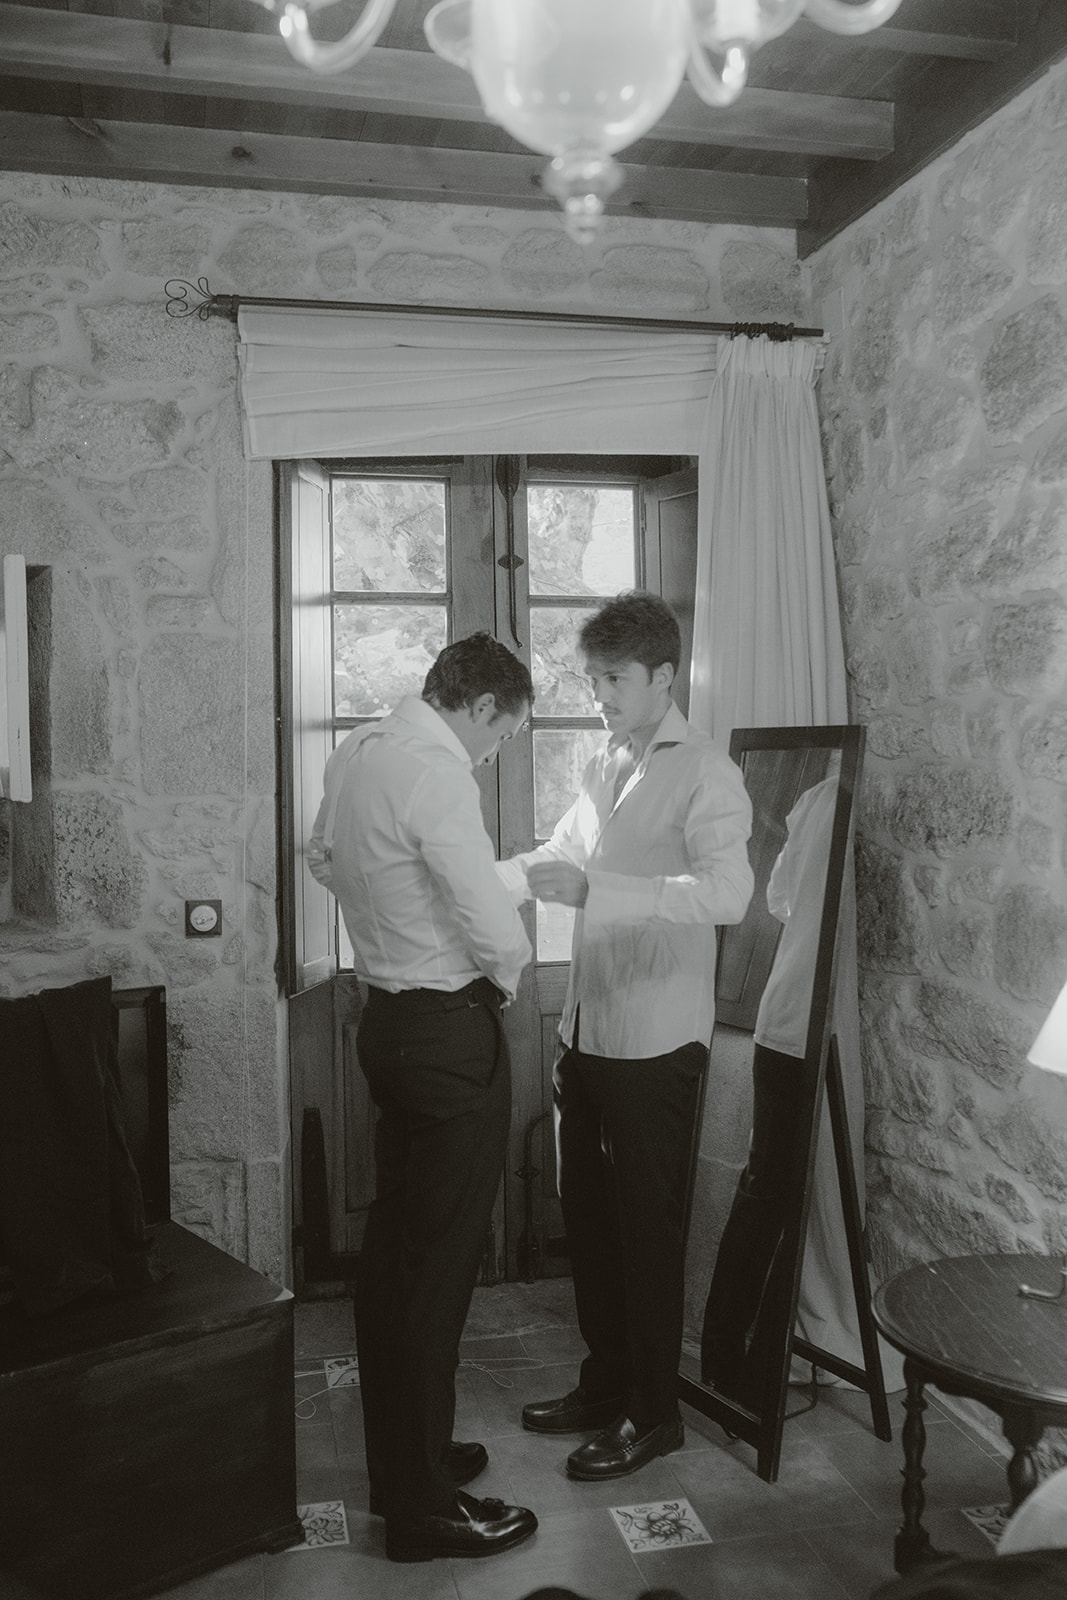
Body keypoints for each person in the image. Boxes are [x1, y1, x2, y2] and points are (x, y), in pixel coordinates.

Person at [497, 591, 754, 1481]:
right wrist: (471, 879)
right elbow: (559, 858)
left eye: (613, 678)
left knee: (645, 1233)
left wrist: (604, 893)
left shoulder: (707, 771)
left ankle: (653, 1413)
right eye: (593, 678)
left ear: (663, 675)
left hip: (656, 1040)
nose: (599, 694)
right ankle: (606, 1382)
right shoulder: (603, 761)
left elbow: (729, 895)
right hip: (586, 1028)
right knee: (591, 1222)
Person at [308, 632, 538, 1563]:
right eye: (501, 736)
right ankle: (420, 1509)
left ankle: (411, 1458)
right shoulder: (437, 773)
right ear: (480, 706)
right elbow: (486, 916)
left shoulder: (360, 750)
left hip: (387, 1024)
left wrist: (394, 926)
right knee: (435, 1273)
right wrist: (509, 974)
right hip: (445, 1032)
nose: (493, 755)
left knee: (397, 1259)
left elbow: (324, 857)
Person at [701, 765, 838, 1400]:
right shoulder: (837, 799)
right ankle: (742, 1364)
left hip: (782, 1013)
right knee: (780, 1197)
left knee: (763, 1192)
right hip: (807, 1017)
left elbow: (779, 899)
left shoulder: (814, 799)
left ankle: (725, 1353)